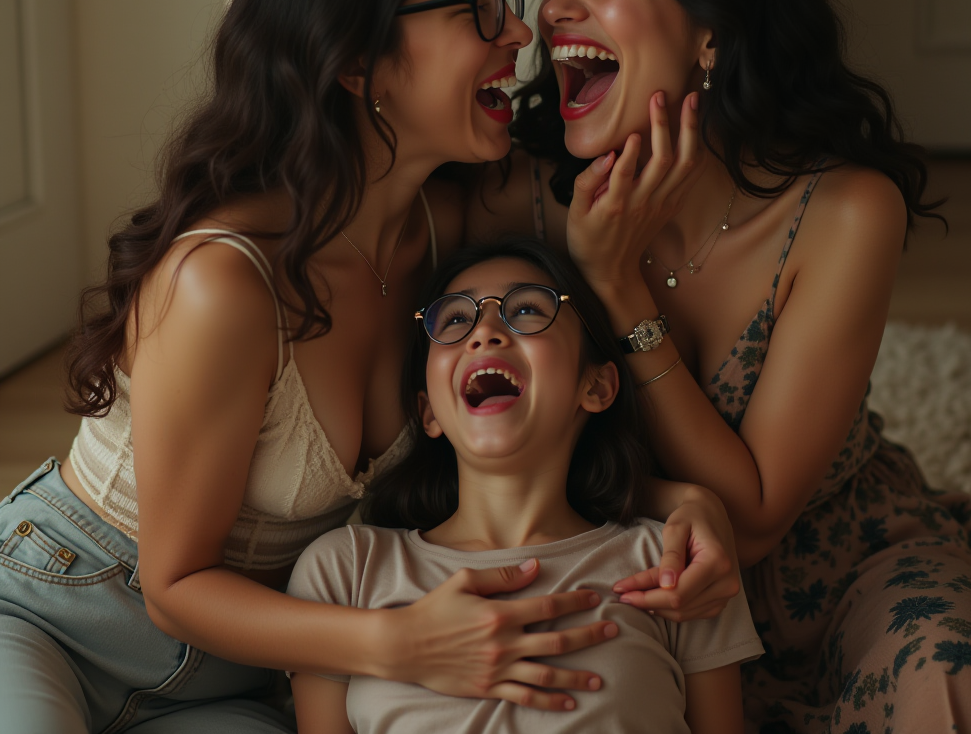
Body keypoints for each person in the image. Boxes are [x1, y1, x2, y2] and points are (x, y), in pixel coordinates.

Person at [0, 0, 739, 734]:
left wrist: (682, 502)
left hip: (254, 669)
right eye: (475, 4)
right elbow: (176, 586)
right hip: (60, 615)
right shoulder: (225, 282)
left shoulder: (449, 232)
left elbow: (529, 429)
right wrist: (404, 648)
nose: (518, 34)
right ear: (356, 61)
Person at [469, 0, 971, 732]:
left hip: (847, 564)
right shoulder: (521, 196)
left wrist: (612, 284)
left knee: (954, 678)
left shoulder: (840, 211)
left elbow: (756, 518)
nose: (557, 7)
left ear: (713, 34)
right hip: (622, 578)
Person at [287, 238, 762, 733]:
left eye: (528, 309)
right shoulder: (347, 571)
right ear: (428, 412)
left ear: (596, 386)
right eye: (454, 319)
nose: (485, 331)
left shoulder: (675, 566)